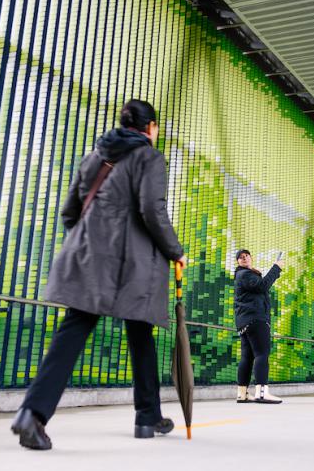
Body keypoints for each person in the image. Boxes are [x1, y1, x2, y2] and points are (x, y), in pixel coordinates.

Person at [11, 100, 187, 450]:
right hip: (133, 265)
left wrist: (93, 240)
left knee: (74, 330)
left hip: (91, 257)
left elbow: (70, 211)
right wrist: (175, 251)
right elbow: (152, 209)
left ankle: (32, 413)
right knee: (140, 335)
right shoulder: (149, 157)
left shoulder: (96, 156)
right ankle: (147, 416)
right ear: (150, 127)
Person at [234, 249, 284, 404]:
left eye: (246, 256)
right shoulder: (245, 274)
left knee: (247, 357)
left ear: (251, 258)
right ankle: (262, 393)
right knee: (262, 354)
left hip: (245, 322)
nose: (244, 258)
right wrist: (276, 267)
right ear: (238, 262)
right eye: (241, 257)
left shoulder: (242, 275)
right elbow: (263, 286)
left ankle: (242, 394)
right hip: (256, 319)